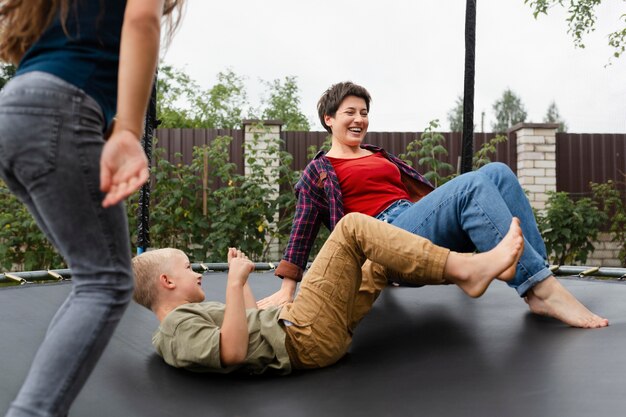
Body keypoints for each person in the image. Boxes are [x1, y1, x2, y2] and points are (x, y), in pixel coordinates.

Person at [258, 81, 608, 330]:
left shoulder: (380, 155)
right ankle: (542, 289)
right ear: (328, 119)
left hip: (413, 222)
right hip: (384, 242)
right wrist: (288, 289)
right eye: (349, 112)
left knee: (497, 172)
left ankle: (536, 276)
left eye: (364, 112)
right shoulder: (318, 172)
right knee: (471, 184)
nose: (359, 119)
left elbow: (424, 199)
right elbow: (302, 230)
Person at [0, 1, 184, 416]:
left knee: (93, 278)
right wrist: (128, 131)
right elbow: (141, 19)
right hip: (58, 109)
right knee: (106, 281)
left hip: (15, 109)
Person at [132, 213, 524, 374]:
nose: (197, 274)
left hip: (307, 334)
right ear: (166, 283)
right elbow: (232, 353)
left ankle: (469, 271)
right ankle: (468, 269)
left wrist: (244, 284)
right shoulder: (174, 330)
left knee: (376, 264)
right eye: (187, 268)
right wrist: (233, 283)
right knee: (353, 227)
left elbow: (249, 325)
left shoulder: (184, 321)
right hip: (302, 333)